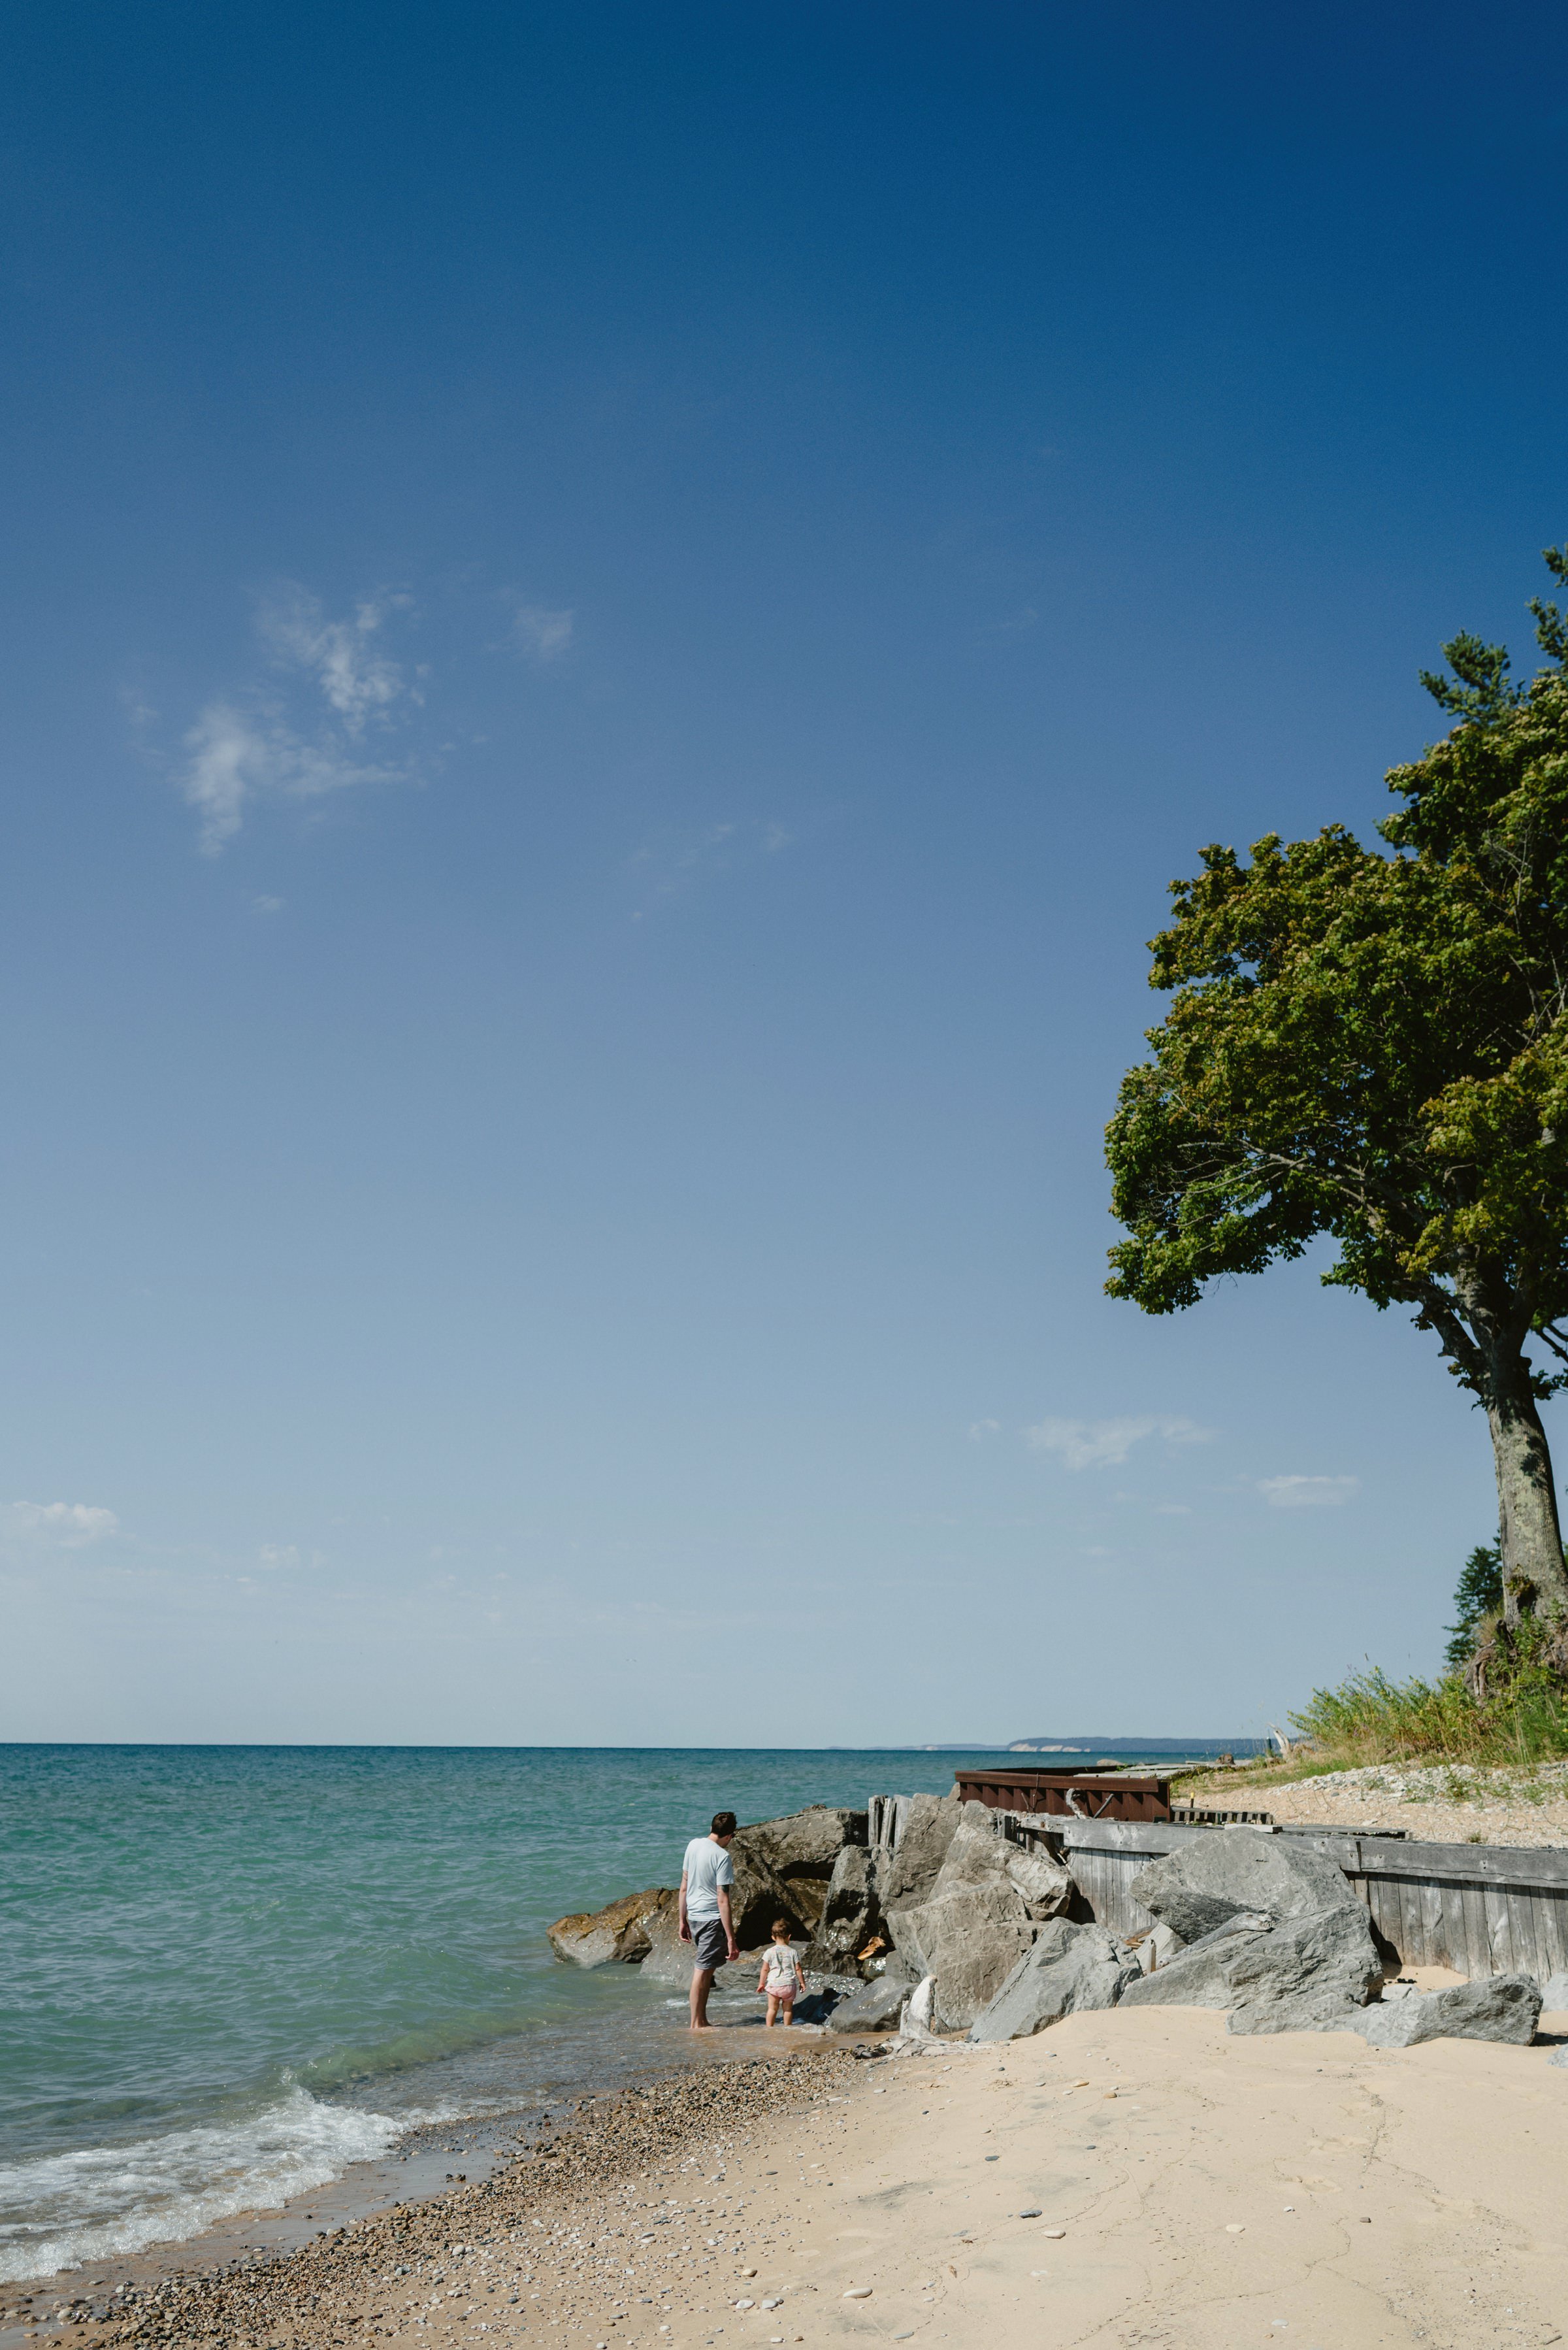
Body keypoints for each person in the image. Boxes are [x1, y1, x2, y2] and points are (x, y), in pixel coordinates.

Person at [679, 1810, 740, 2030]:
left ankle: (702, 2020)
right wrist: (731, 1938)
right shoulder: (722, 1856)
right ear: (729, 1836)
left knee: (706, 1971)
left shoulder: (693, 1845)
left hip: (694, 1916)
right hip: (711, 1918)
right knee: (702, 1970)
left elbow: (684, 1886)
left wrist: (682, 1920)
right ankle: (696, 2023)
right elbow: (722, 1899)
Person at [757, 1917, 804, 2026]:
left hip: (774, 1985)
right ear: (789, 1937)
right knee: (788, 2010)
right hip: (789, 1985)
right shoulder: (793, 1952)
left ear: (773, 1937)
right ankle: (788, 2028)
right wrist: (802, 1983)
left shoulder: (769, 1952)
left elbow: (765, 1969)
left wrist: (761, 1983)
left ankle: (769, 2029)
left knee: (772, 2009)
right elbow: (798, 1969)